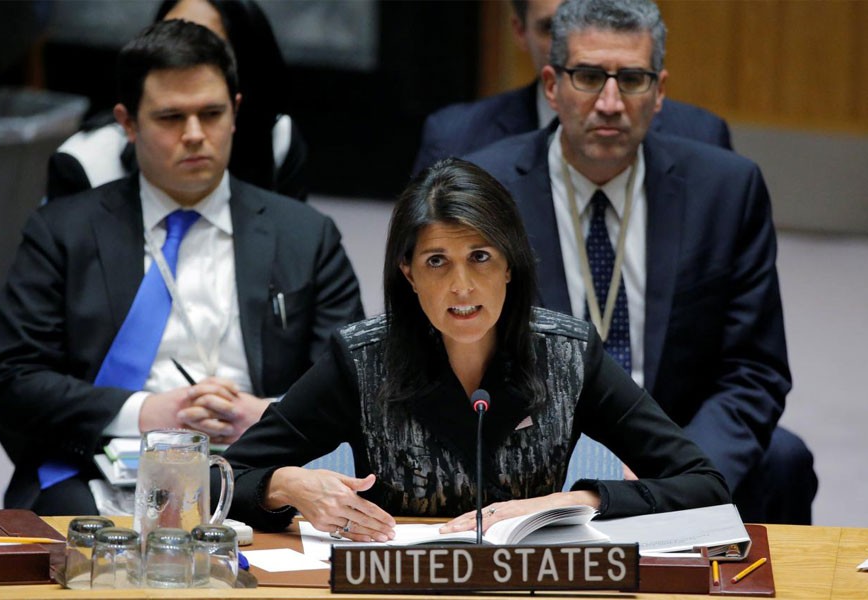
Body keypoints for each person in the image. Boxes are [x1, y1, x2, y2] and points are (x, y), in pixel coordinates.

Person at [218, 158, 729, 539]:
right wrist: (285, 485)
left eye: (480, 257)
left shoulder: (568, 355)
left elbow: (704, 484)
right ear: (409, 274)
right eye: (437, 261)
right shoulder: (363, 360)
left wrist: (571, 501)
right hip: (402, 589)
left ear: (510, 265)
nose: (462, 286)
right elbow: (220, 479)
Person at [0, 19, 363, 515]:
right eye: (170, 117)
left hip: (260, 471)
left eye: (211, 113)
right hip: (100, 469)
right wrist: (146, 411)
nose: (194, 135)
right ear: (127, 122)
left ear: (236, 113)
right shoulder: (62, 232)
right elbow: (15, 382)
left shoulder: (306, 235)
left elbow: (353, 386)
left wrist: (267, 415)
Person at [464, 0, 816, 524]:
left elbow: (753, 370)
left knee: (784, 460)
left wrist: (682, 477)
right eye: (588, 77)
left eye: (632, 79)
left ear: (660, 93)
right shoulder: (485, 190)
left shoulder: (725, 190)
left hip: (677, 446)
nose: (610, 102)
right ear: (552, 85)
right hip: (533, 453)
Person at [411, 0, 731, 175]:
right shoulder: (456, 138)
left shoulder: (701, 136)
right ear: (520, 32)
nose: (570, 40)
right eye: (552, 27)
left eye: (589, 19)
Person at [46, 0, 309, 201]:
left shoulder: (277, 137)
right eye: (169, 38)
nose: (180, 56)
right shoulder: (88, 161)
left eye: (203, 47)